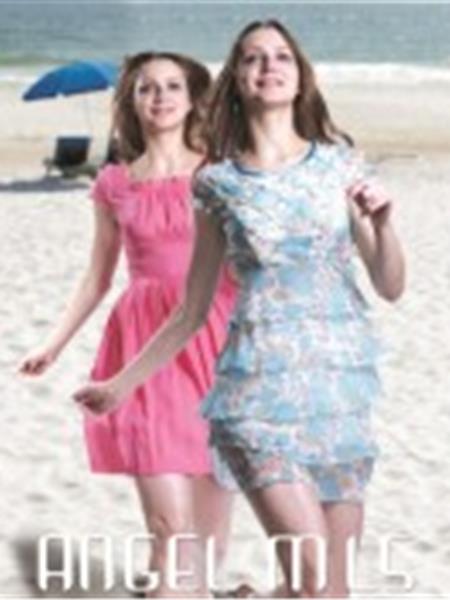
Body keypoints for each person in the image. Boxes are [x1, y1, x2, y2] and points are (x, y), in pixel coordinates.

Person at [73, 21, 406, 599]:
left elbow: (391, 284)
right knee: (311, 575)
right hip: (255, 399)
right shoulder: (217, 185)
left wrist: (384, 225)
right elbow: (190, 312)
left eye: (282, 56)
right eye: (253, 58)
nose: (269, 66)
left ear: (300, 78)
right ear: (236, 80)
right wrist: (120, 385)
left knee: (332, 590)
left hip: (338, 400)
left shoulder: (341, 167)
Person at [19, 51, 237, 598]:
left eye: (171, 86)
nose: (159, 97)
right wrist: (54, 344)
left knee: (208, 540)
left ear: (192, 99)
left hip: (218, 341)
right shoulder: (114, 184)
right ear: (132, 101)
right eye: (146, 88)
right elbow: (97, 277)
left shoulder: (221, 174)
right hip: (142, 351)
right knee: (169, 528)